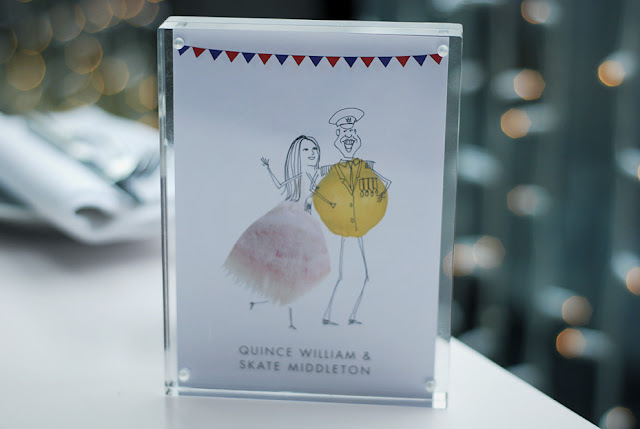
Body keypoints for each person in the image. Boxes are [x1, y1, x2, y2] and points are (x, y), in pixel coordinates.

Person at [225, 136, 332, 329]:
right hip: (293, 222)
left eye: (314, 150)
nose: (312, 154)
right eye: (306, 150)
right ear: (298, 155)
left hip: (303, 222)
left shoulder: (312, 175)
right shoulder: (302, 176)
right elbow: (283, 186)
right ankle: (286, 318)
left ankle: (273, 310)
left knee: (292, 276)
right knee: (289, 275)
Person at [313, 108, 391, 325]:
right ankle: (329, 316)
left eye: (353, 132)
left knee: (363, 275)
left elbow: (383, 188)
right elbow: (319, 195)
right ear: (337, 138)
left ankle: (349, 316)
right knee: (343, 275)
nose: (349, 138)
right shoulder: (332, 172)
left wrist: (374, 202)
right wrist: (333, 216)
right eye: (344, 133)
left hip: (360, 230)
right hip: (344, 231)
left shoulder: (365, 169)